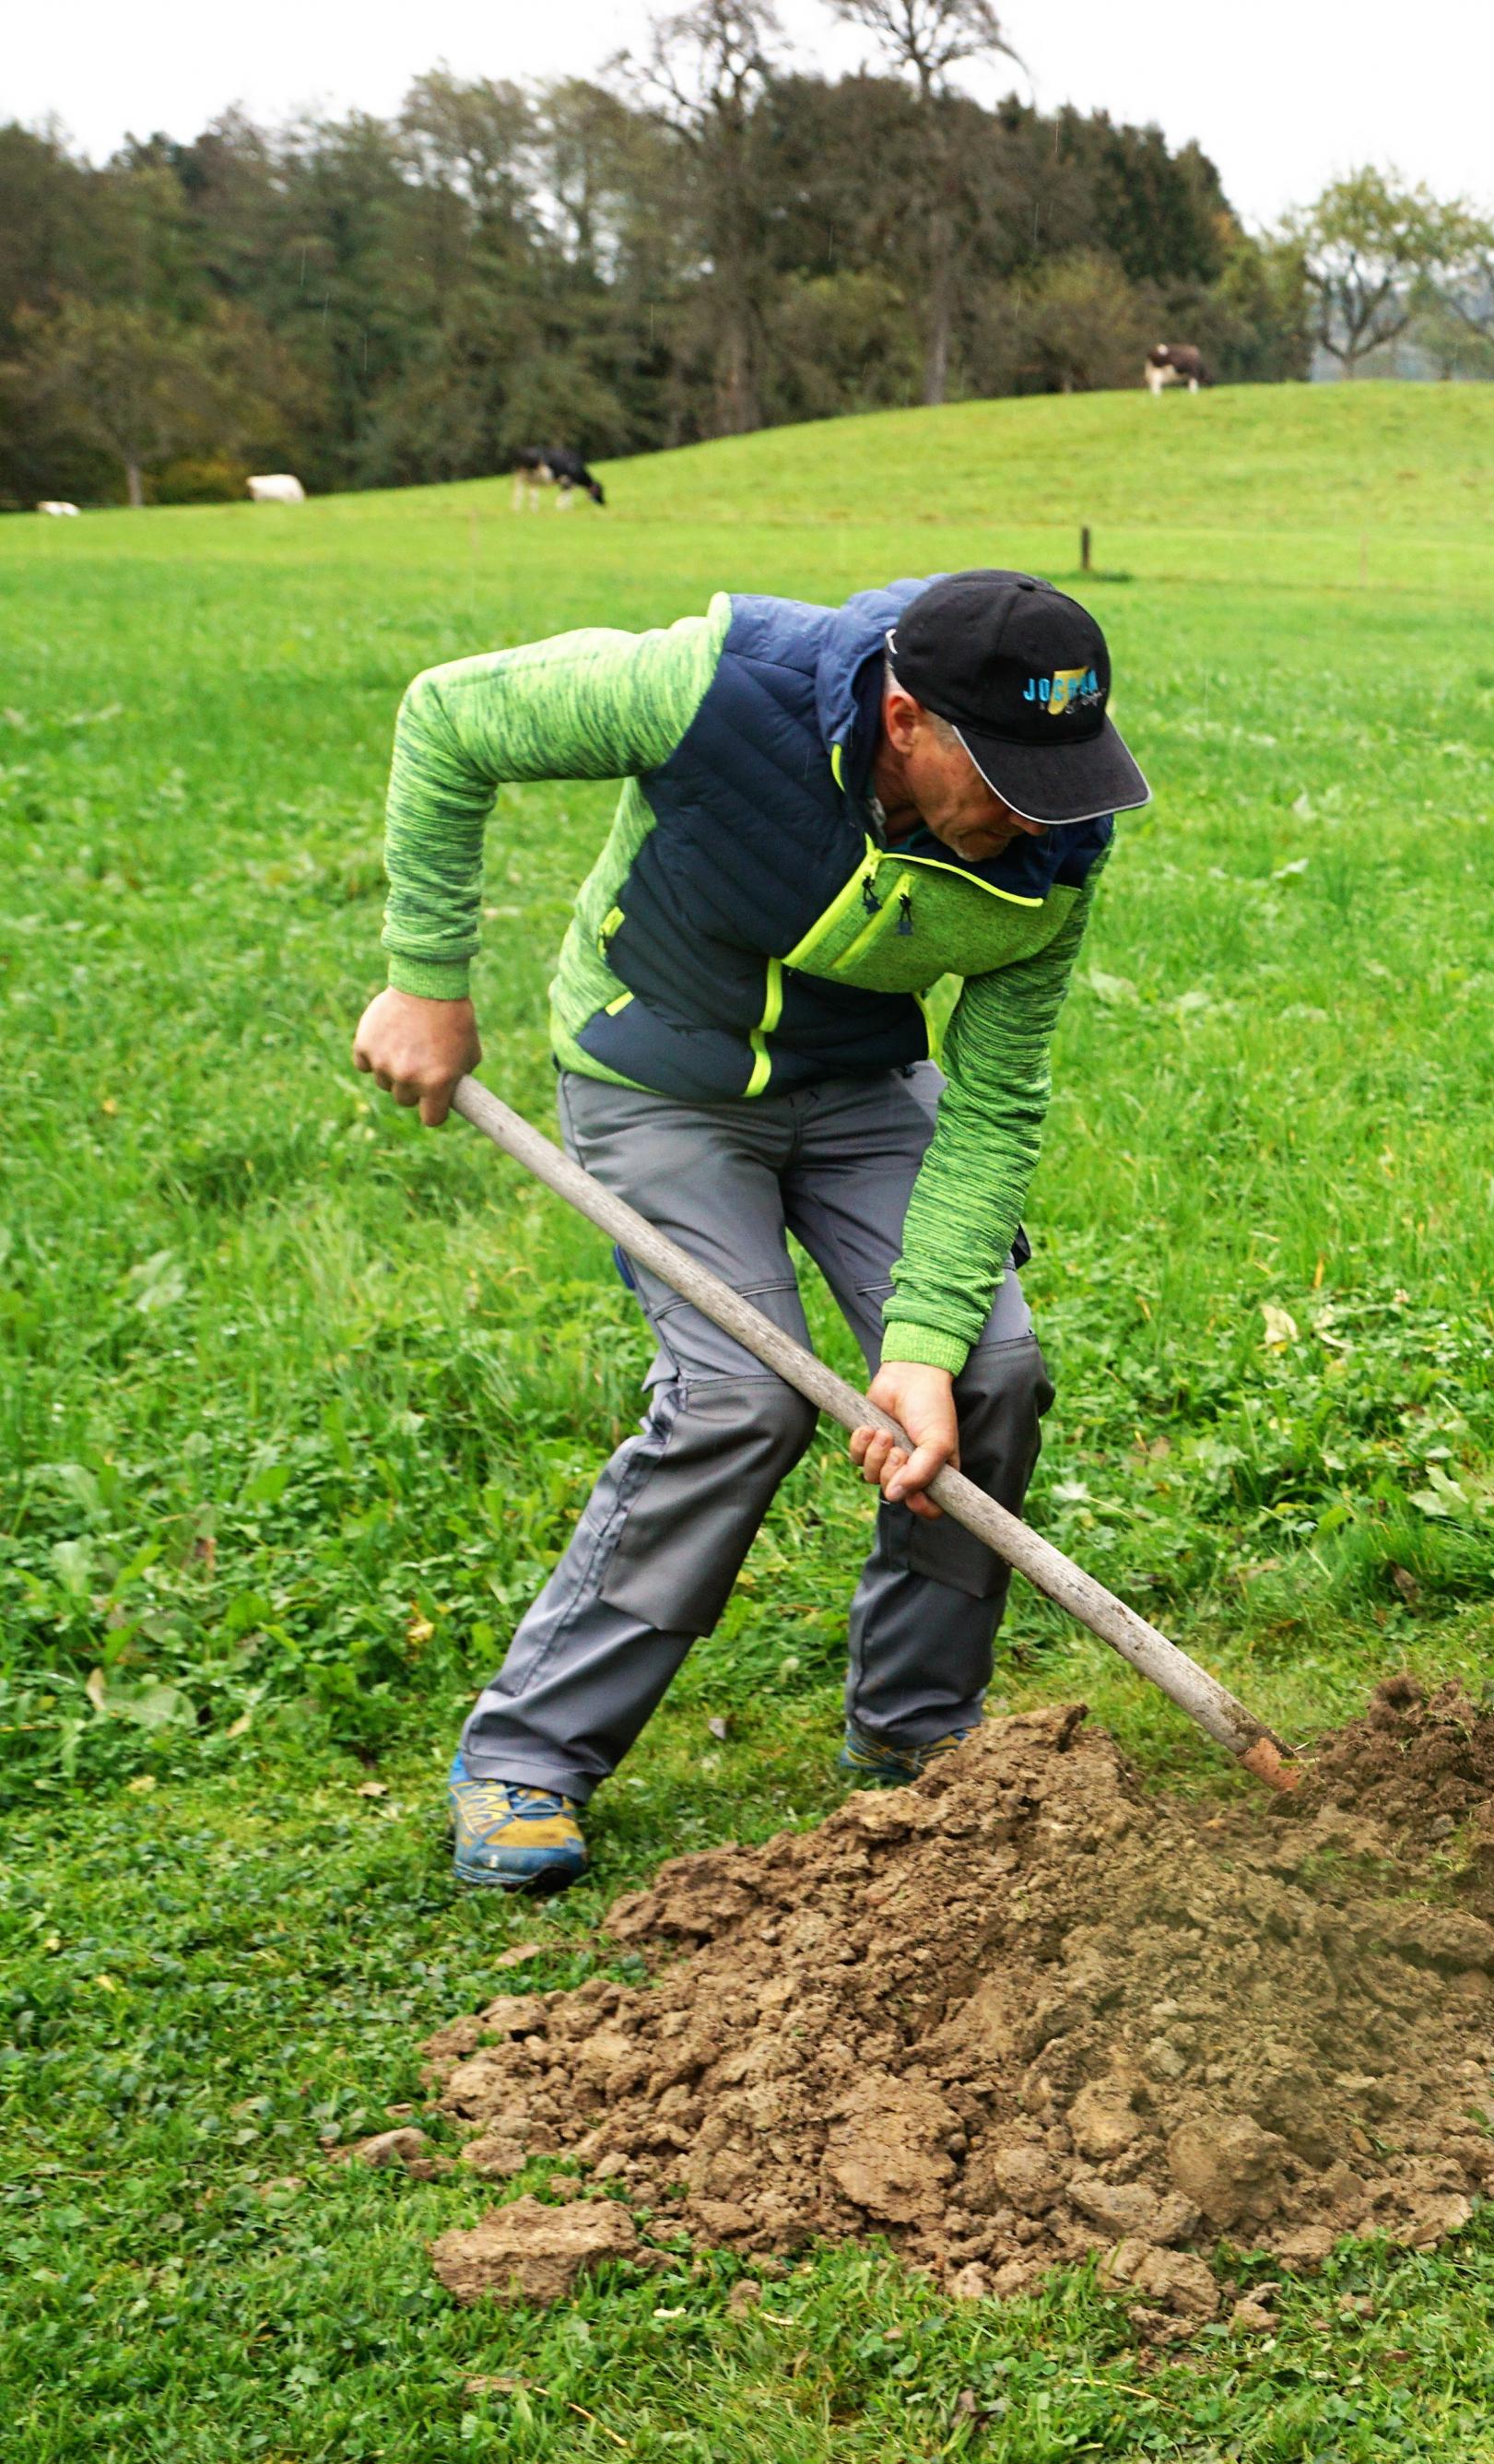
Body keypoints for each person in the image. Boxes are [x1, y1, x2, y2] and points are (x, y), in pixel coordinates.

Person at [351, 571, 1148, 1892]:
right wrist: (426, 979)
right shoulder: (718, 686)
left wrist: (922, 1345)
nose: (1034, 812)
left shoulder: (1055, 840)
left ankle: (916, 1727)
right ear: (904, 718)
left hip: (861, 1086)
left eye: (1059, 777)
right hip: (657, 1077)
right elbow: (451, 716)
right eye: (1006, 776)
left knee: (987, 1372)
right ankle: (529, 1754)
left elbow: (994, 1104)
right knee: (738, 1396)